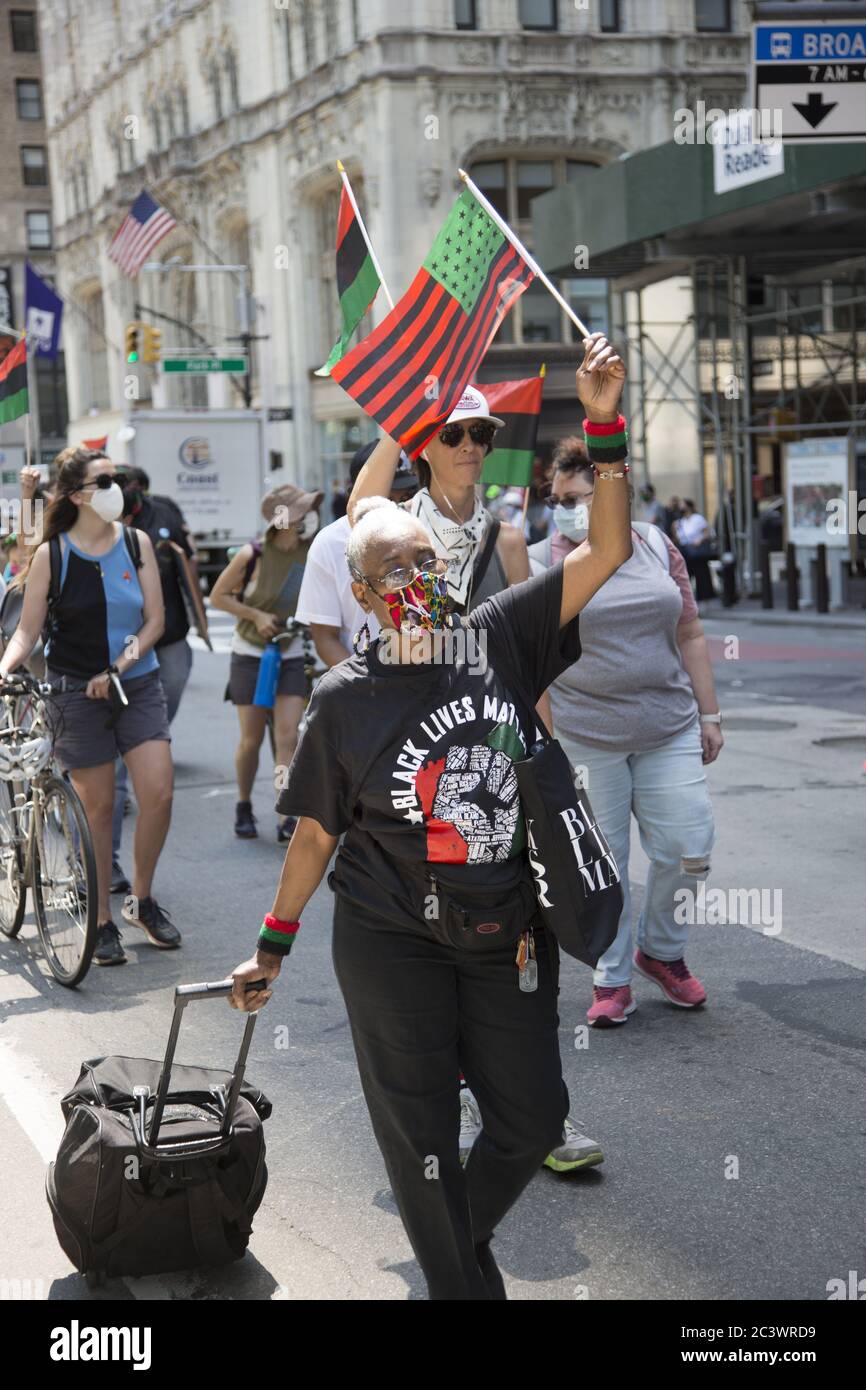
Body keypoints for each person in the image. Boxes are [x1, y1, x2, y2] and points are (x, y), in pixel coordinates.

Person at [228, 336, 633, 1300]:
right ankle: (461, 1283)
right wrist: (270, 949)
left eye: (431, 559)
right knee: (419, 1148)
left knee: (531, 1124)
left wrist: (604, 419)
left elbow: (609, 547)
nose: (423, 575)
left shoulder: (499, 636)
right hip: (391, 943)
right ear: (364, 597)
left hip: (508, 935)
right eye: (399, 567)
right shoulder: (343, 697)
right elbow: (316, 836)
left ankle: (451, 1247)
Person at [349, 386, 597, 1171]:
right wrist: (400, 415)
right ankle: (458, 1098)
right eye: (453, 433)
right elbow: (361, 498)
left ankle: (542, 1113)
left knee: (524, 936)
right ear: (427, 442)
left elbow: (532, 660)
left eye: (480, 433)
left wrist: (550, 762)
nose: (469, 445)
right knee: (442, 938)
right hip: (421, 769)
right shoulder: (393, 532)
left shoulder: (508, 534)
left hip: (499, 762)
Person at [529, 439, 722, 1027]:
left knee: (690, 849)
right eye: (557, 499)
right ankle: (611, 979)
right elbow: (531, 659)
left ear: (613, 492)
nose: (565, 508)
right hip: (586, 735)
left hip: (669, 725)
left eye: (578, 497)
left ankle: (661, 951)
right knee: (603, 862)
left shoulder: (658, 545)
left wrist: (709, 713)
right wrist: (547, 741)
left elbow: (689, 631)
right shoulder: (541, 560)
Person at [0, 446, 179, 965]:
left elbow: (155, 622)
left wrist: (117, 669)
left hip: (135, 684)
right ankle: (100, 917)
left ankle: (141, 899)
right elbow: (27, 630)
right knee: (98, 810)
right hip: (73, 691)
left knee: (159, 792)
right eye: (106, 480)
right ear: (77, 495)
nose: (118, 487)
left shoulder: (137, 542)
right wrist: (5, 667)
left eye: (118, 477)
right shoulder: (51, 554)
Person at [210, 483, 323, 843]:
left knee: (288, 736)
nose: (308, 517)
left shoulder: (313, 551)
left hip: (290, 652)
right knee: (251, 738)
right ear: (282, 519)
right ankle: (243, 803)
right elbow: (218, 597)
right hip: (251, 654)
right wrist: (255, 615)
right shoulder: (252, 554)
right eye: (301, 512)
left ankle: (284, 812)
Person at [109, 465, 198, 895]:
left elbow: (187, 560)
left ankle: (141, 897)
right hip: (107, 654)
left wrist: (197, 614)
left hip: (166, 632)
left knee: (174, 684)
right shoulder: (84, 528)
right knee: (109, 776)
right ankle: (104, 868)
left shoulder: (162, 515)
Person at [296, 442, 417, 668]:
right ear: (356, 494)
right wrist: (365, 687)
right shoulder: (329, 544)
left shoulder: (426, 536)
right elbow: (325, 638)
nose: (400, 505)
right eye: (387, 497)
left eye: (408, 495)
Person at [675, 498, 717, 602]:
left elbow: (707, 532)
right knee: (687, 574)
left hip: (697, 550)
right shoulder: (681, 521)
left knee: (701, 574)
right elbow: (679, 537)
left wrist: (700, 540)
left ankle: (704, 597)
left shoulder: (697, 518)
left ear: (689, 507)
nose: (681, 508)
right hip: (686, 551)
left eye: (683, 505)